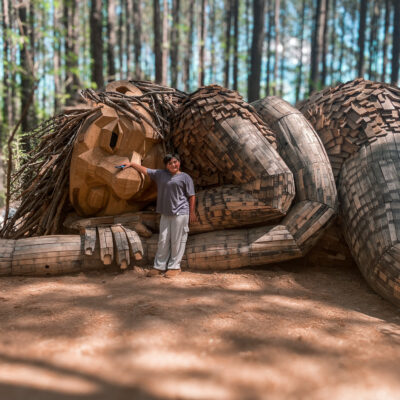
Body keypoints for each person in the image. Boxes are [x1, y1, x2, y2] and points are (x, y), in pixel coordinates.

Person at [122, 153, 196, 277]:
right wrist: (132, 164)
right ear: (166, 166)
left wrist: (192, 212)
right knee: (163, 240)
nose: (173, 165)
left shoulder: (185, 177)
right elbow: (145, 170)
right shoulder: (160, 174)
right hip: (165, 214)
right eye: (170, 163)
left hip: (180, 213)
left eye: (175, 162)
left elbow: (191, 195)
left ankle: (174, 267)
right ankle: (159, 266)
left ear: (179, 162)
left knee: (177, 240)